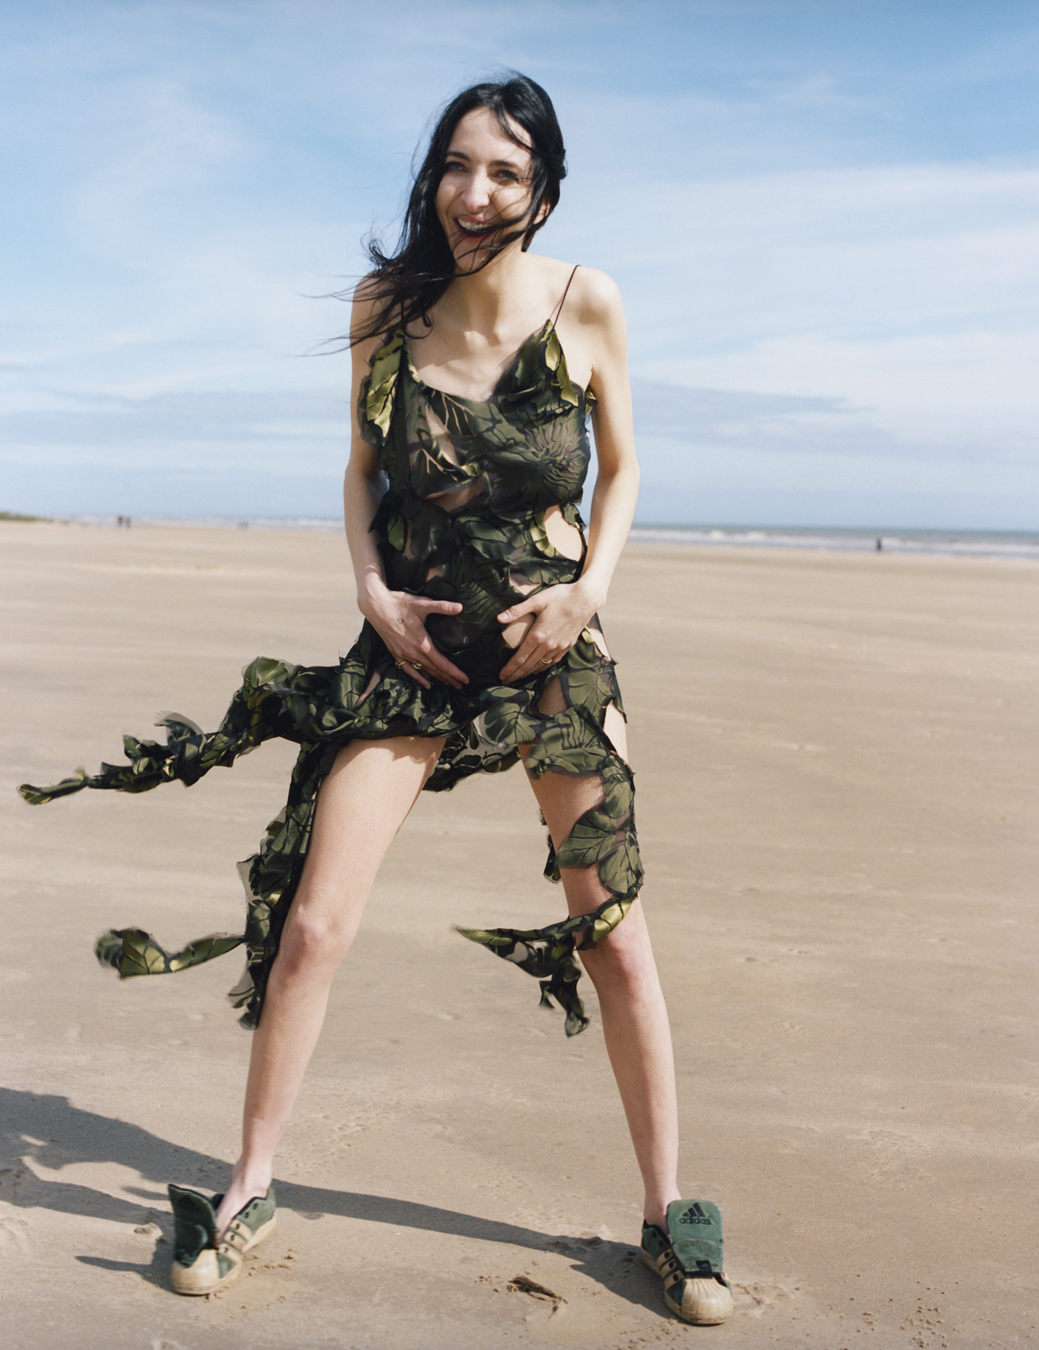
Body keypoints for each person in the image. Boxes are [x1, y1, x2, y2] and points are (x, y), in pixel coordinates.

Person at [20, 75, 733, 1326]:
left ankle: (665, 1214)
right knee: (311, 927)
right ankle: (249, 1185)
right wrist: (372, 591)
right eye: (460, 165)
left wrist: (582, 593)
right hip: (407, 652)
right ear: (434, 176)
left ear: (544, 189)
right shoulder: (385, 308)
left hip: (550, 652)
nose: (477, 191)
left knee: (612, 932)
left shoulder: (589, 302)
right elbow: (358, 470)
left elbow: (623, 471)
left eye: (506, 172)